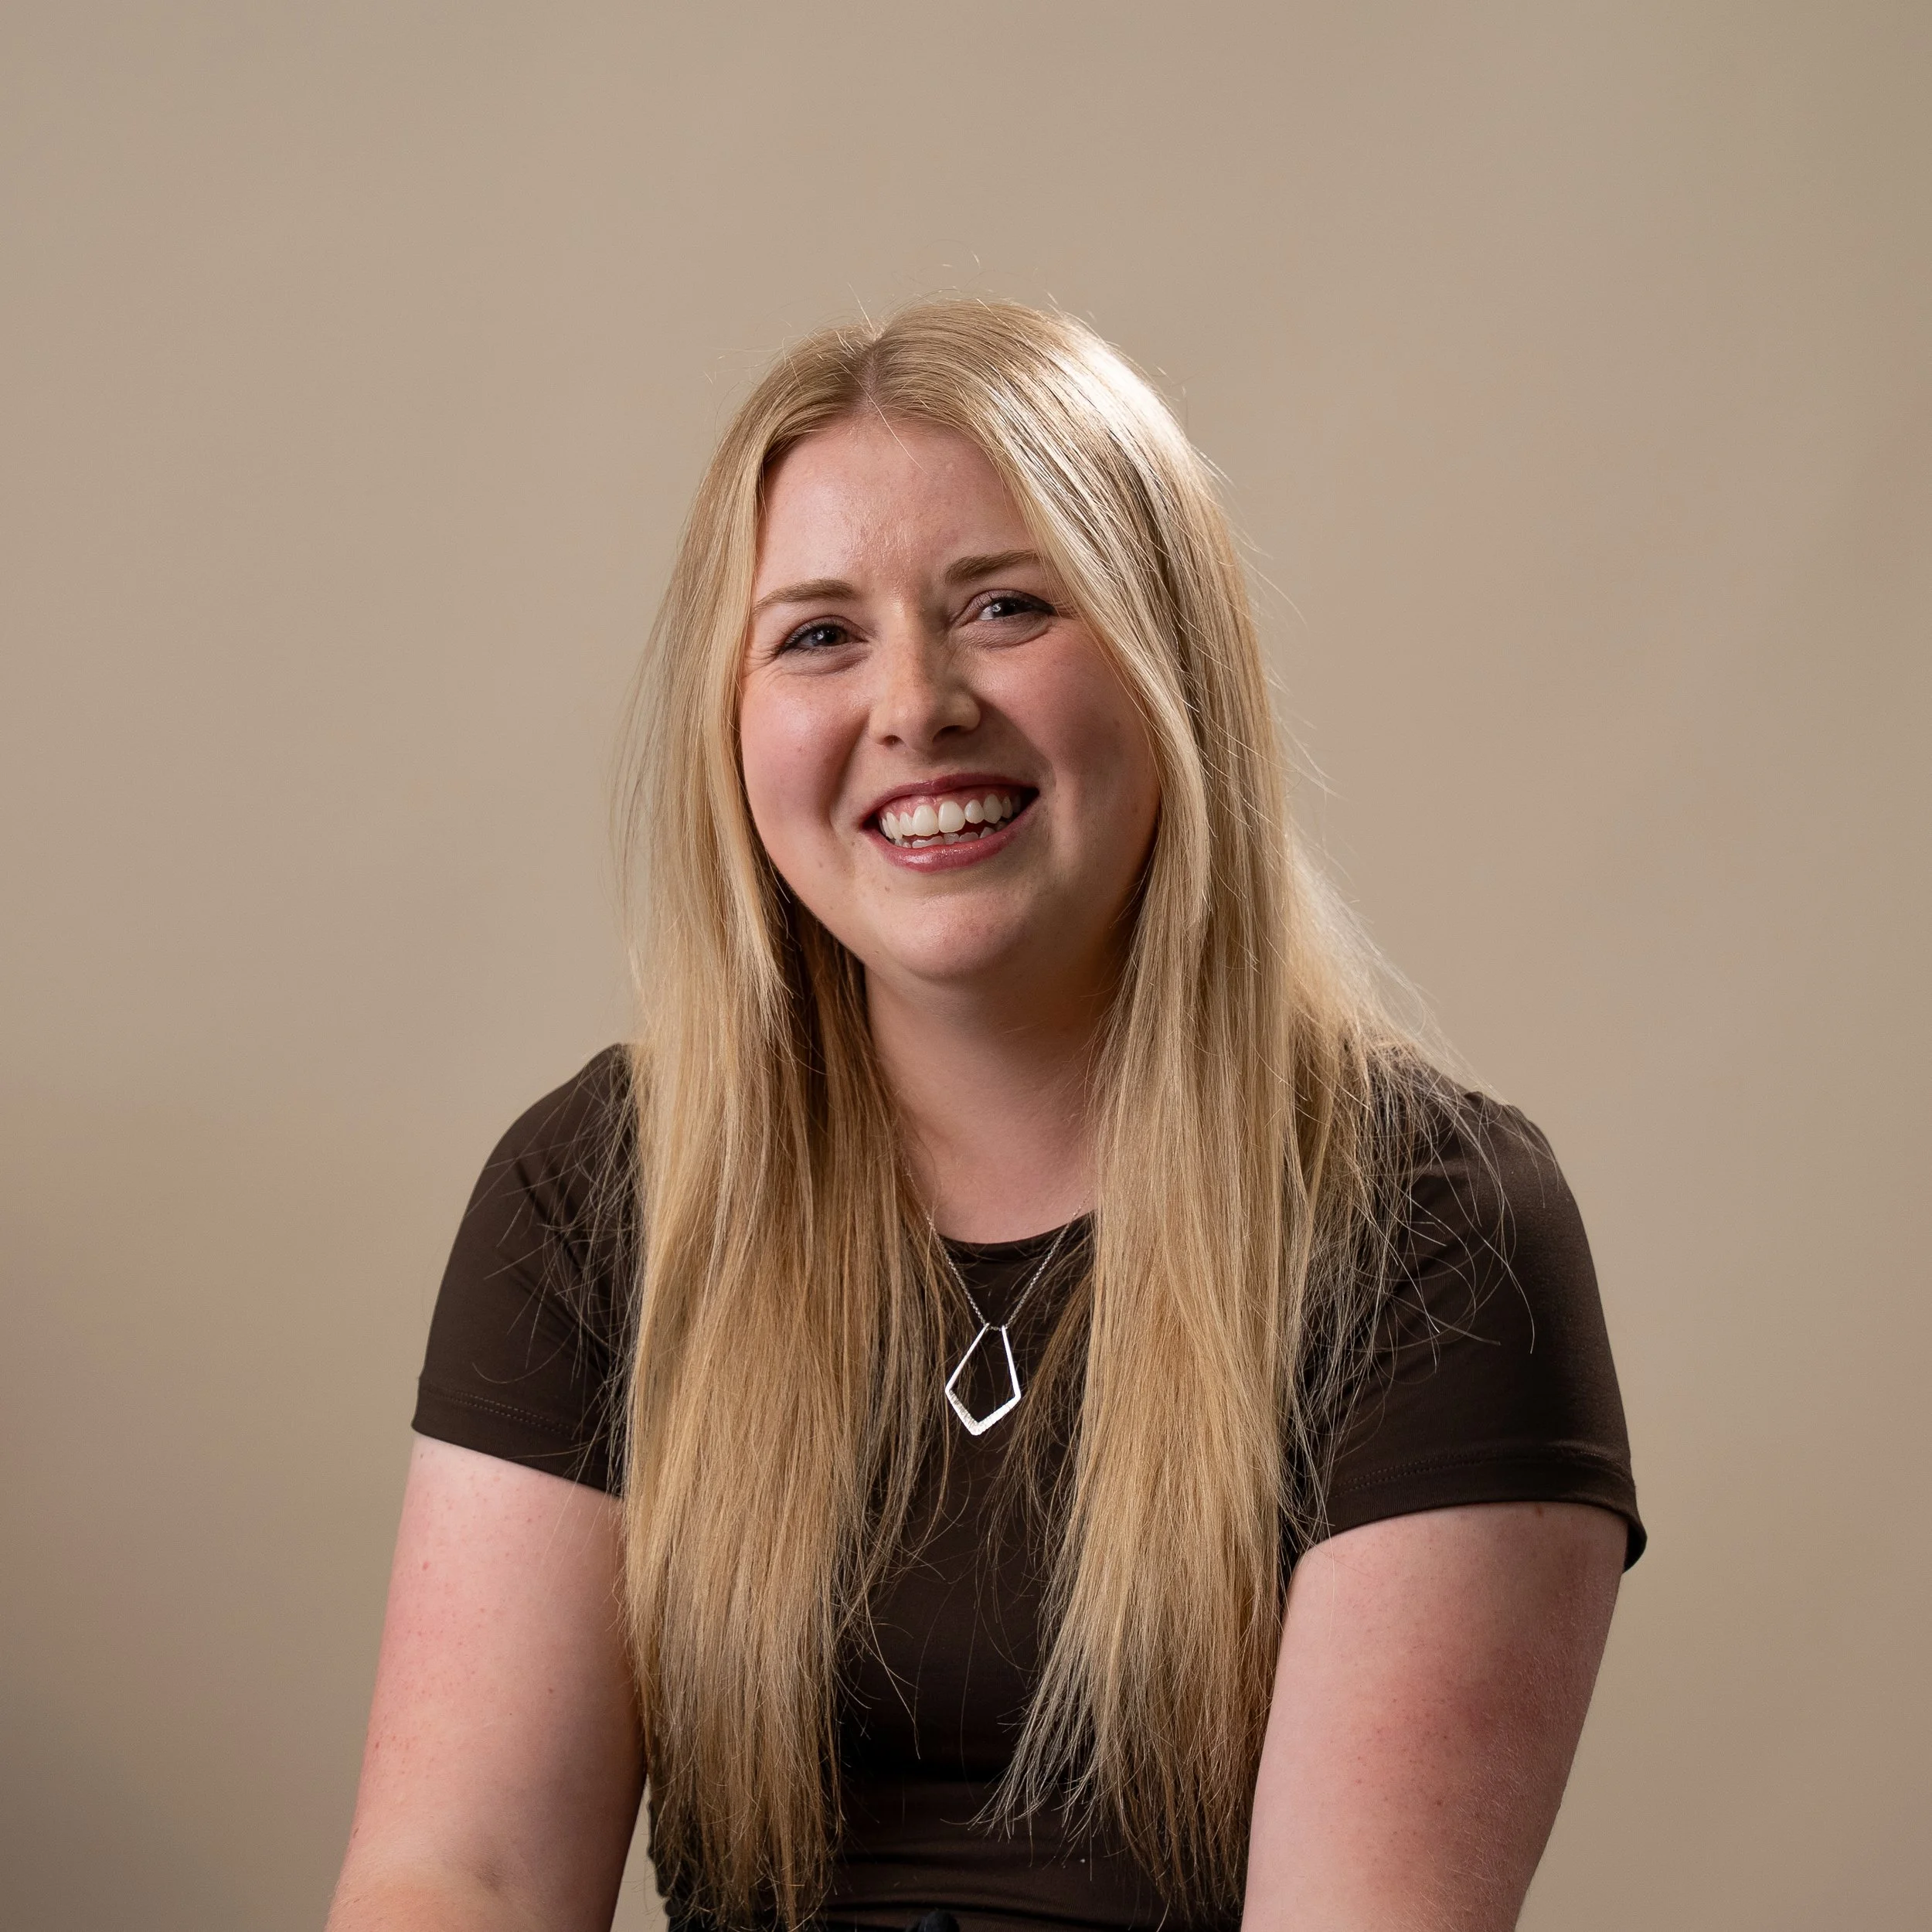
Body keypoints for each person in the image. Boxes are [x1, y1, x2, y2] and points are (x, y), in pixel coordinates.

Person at [326, 301, 1642, 1932]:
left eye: (1006, 606)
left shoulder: (1431, 1227)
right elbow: (460, 1871)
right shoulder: (596, 1194)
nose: (916, 701)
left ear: (1170, 664)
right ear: (733, 727)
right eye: (817, 634)